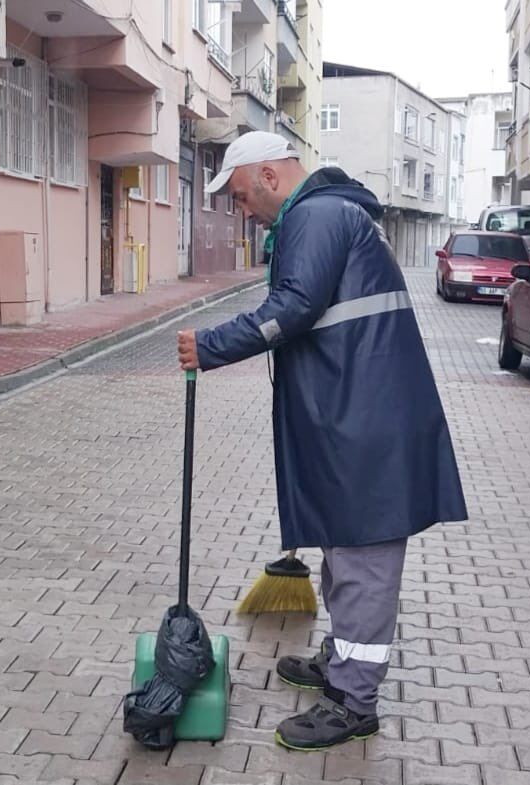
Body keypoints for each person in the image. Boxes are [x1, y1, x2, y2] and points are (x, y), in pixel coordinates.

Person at [175, 131, 468, 750]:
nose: (242, 210)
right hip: (355, 412)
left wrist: (210, 346)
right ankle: (341, 662)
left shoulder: (318, 216)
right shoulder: (327, 214)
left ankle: (352, 703)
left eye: (240, 195)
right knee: (345, 551)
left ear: (269, 177)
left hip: (364, 421)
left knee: (362, 563)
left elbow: (293, 308)